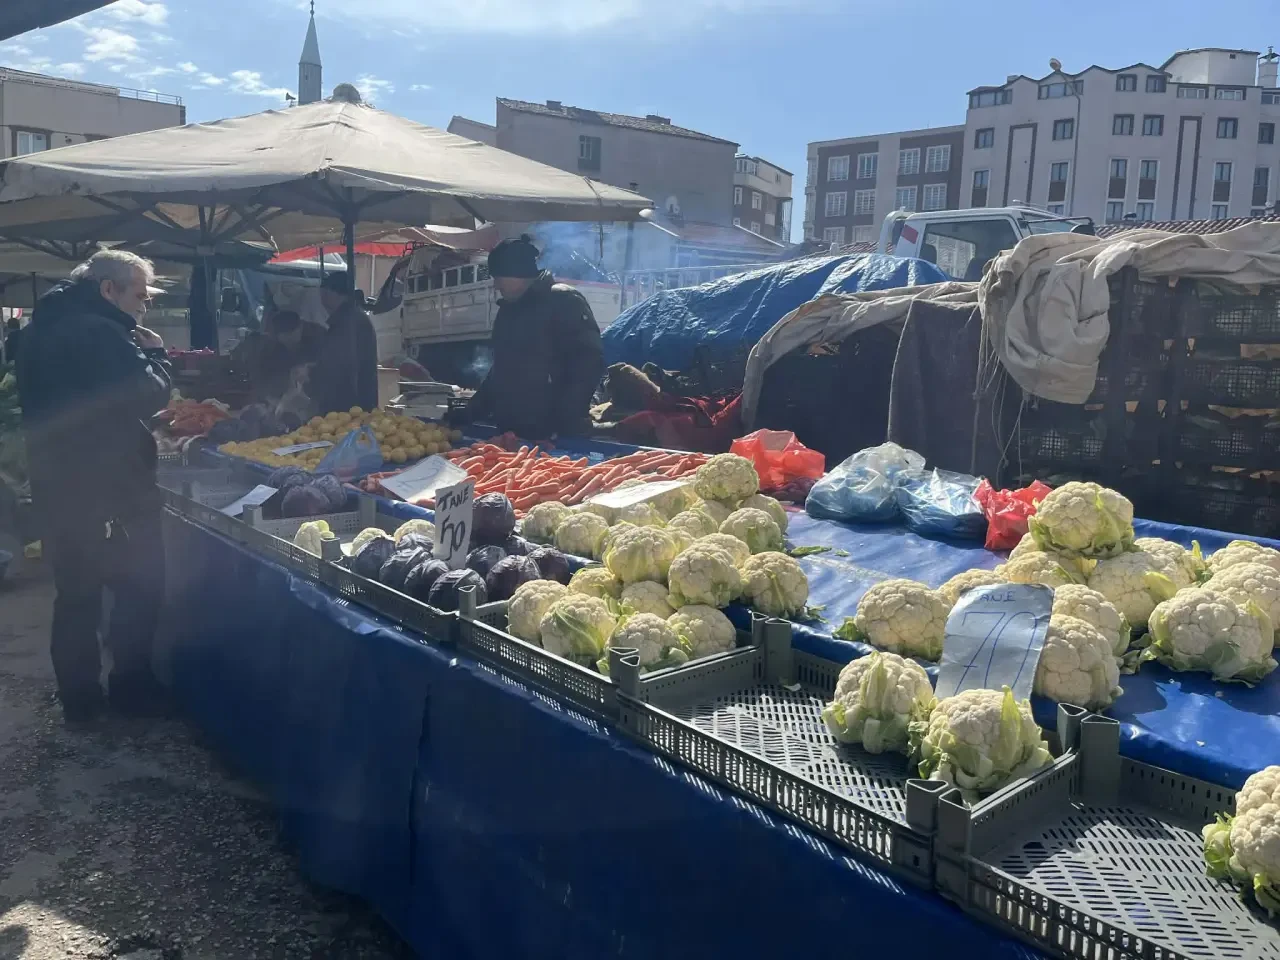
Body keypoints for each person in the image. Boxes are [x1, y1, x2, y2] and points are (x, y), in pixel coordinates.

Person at [16, 250, 173, 723]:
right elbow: (150, 393)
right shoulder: (103, 333)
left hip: (56, 483)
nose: (143, 307)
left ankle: (80, 702)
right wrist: (157, 353)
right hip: (113, 487)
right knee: (140, 585)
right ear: (109, 289)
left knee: (76, 595)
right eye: (140, 297)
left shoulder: (36, 332)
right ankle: (132, 689)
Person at [457, 236, 604, 440]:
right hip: (513, 432)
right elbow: (500, 372)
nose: (495, 286)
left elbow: (589, 362)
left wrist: (567, 416)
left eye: (498, 277)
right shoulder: (507, 311)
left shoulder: (563, 301)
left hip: (554, 433)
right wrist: (471, 412)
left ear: (516, 273)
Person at [310, 272, 378, 415]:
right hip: (353, 404)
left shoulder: (348, 322)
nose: (321, 298)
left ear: (331, 293)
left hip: (349, 406)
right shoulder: (350, 317)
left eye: (323, 293)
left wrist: (312, 373)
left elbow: (340, 365)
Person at [233, 308, 324, 403]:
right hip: (287, 389)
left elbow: (330, 362)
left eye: (291, 336)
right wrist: (268, 396)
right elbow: (264, 373)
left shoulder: (318, 336)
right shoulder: (272, 344)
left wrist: (308, 368)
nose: (289, 342)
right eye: (285, 340)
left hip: (318, 386)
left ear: (300, 327)